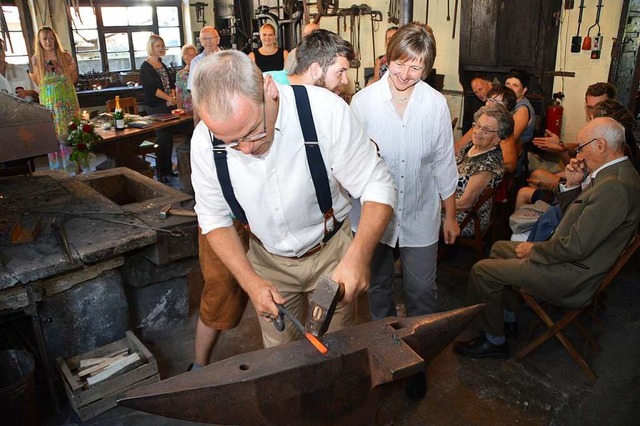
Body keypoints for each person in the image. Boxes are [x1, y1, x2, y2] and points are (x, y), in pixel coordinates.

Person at [189, 50, 395, 350]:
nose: (245, 149)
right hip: (267, 261)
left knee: (336, 349)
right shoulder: (204, 142)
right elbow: (213, 219)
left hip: (331, 254)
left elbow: (377, 185)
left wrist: (359, 256)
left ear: (269, 90)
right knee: (281, 356)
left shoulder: (324, 111)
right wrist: (251, 283)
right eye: (230, 142)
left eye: (253, 133)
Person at [454, 117, 640, 358]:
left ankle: (494, 340)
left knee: (482, 271)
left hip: (572, 274)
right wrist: (571, 185)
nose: (579, 155)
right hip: (569, 257)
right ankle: (507, 320)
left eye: (582, 147)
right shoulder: (619, 173)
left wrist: (534, 250)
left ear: (601, 145)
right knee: (500, 248)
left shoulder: (614, 186)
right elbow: (579, 218)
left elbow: (576, 246)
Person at [351, 22, 459, 321]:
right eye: (400, 64)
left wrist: (450, 215)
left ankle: (418, 355)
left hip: (420, 212)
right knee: (377, 288)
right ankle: (385, 351)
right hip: (373, 216)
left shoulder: (435, 105)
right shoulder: (363, 103)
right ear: (388, 57)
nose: (405, 75)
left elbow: (444, 163)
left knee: (422, 292)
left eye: (416, 68)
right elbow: (350, 162)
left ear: (426, 68)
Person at [454, 105, 513, 237]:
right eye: (478, 125)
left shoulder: (487, 165)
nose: (477, 132)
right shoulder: (474, 145)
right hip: (451, 202)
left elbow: (464, 203)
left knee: (412, 214)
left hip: (465, 219)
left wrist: (432, 204)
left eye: (486, 130)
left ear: (498, 138)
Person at [266, 29, 354, 94]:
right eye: (340, 71)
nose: (345, 81)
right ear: (315, 70)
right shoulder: (266, 87)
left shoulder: (315, 96)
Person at [454, 85, 517, 173]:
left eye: (495, 102)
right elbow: (458, 147)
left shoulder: (502, 131)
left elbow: (510, 165)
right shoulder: (480, 123)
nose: (489, 104)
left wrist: (482, 171)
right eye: (489, 100)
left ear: (506, 108)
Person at [139, 34, 176, 183]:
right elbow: (152, 89)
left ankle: (168, 169)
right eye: (157, 46)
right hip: (155, 106)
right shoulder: (146, 66)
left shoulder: (161, 63)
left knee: (169, 137)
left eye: (162, 46)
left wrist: (172, 97)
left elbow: (170, 83)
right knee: (162, 137)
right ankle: (161, 171)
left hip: (166, 104)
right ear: (151, 47)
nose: (160, 49)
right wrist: (169, 99)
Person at [30, 27, 79, 136]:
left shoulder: (65, 56)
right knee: (54, 131)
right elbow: (37, 82)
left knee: (72, 129)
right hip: (49, 102)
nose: (48, 42)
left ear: (55, 40)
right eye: (45, 39)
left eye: (51, 39)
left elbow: (74, 77)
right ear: (39, 41)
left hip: (67, 100)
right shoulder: (36, 60)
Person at [187, 26, 221, 125]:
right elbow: (194, 91)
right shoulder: (195, 62)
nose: (208, 42)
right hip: (204, 108)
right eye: (204, 39)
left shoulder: (227, 59)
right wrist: (196, 118)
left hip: (224, 107)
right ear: (200, 42)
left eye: (211, 38)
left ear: (217, 39)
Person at [175, 44, 198, 111]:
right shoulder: (180, 74)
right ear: (184, 57)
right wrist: (179, 109)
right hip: (187, 109)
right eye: (189, 55)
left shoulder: (201, 71)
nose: (193, 57)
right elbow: (179, 93)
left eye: (195, 55)